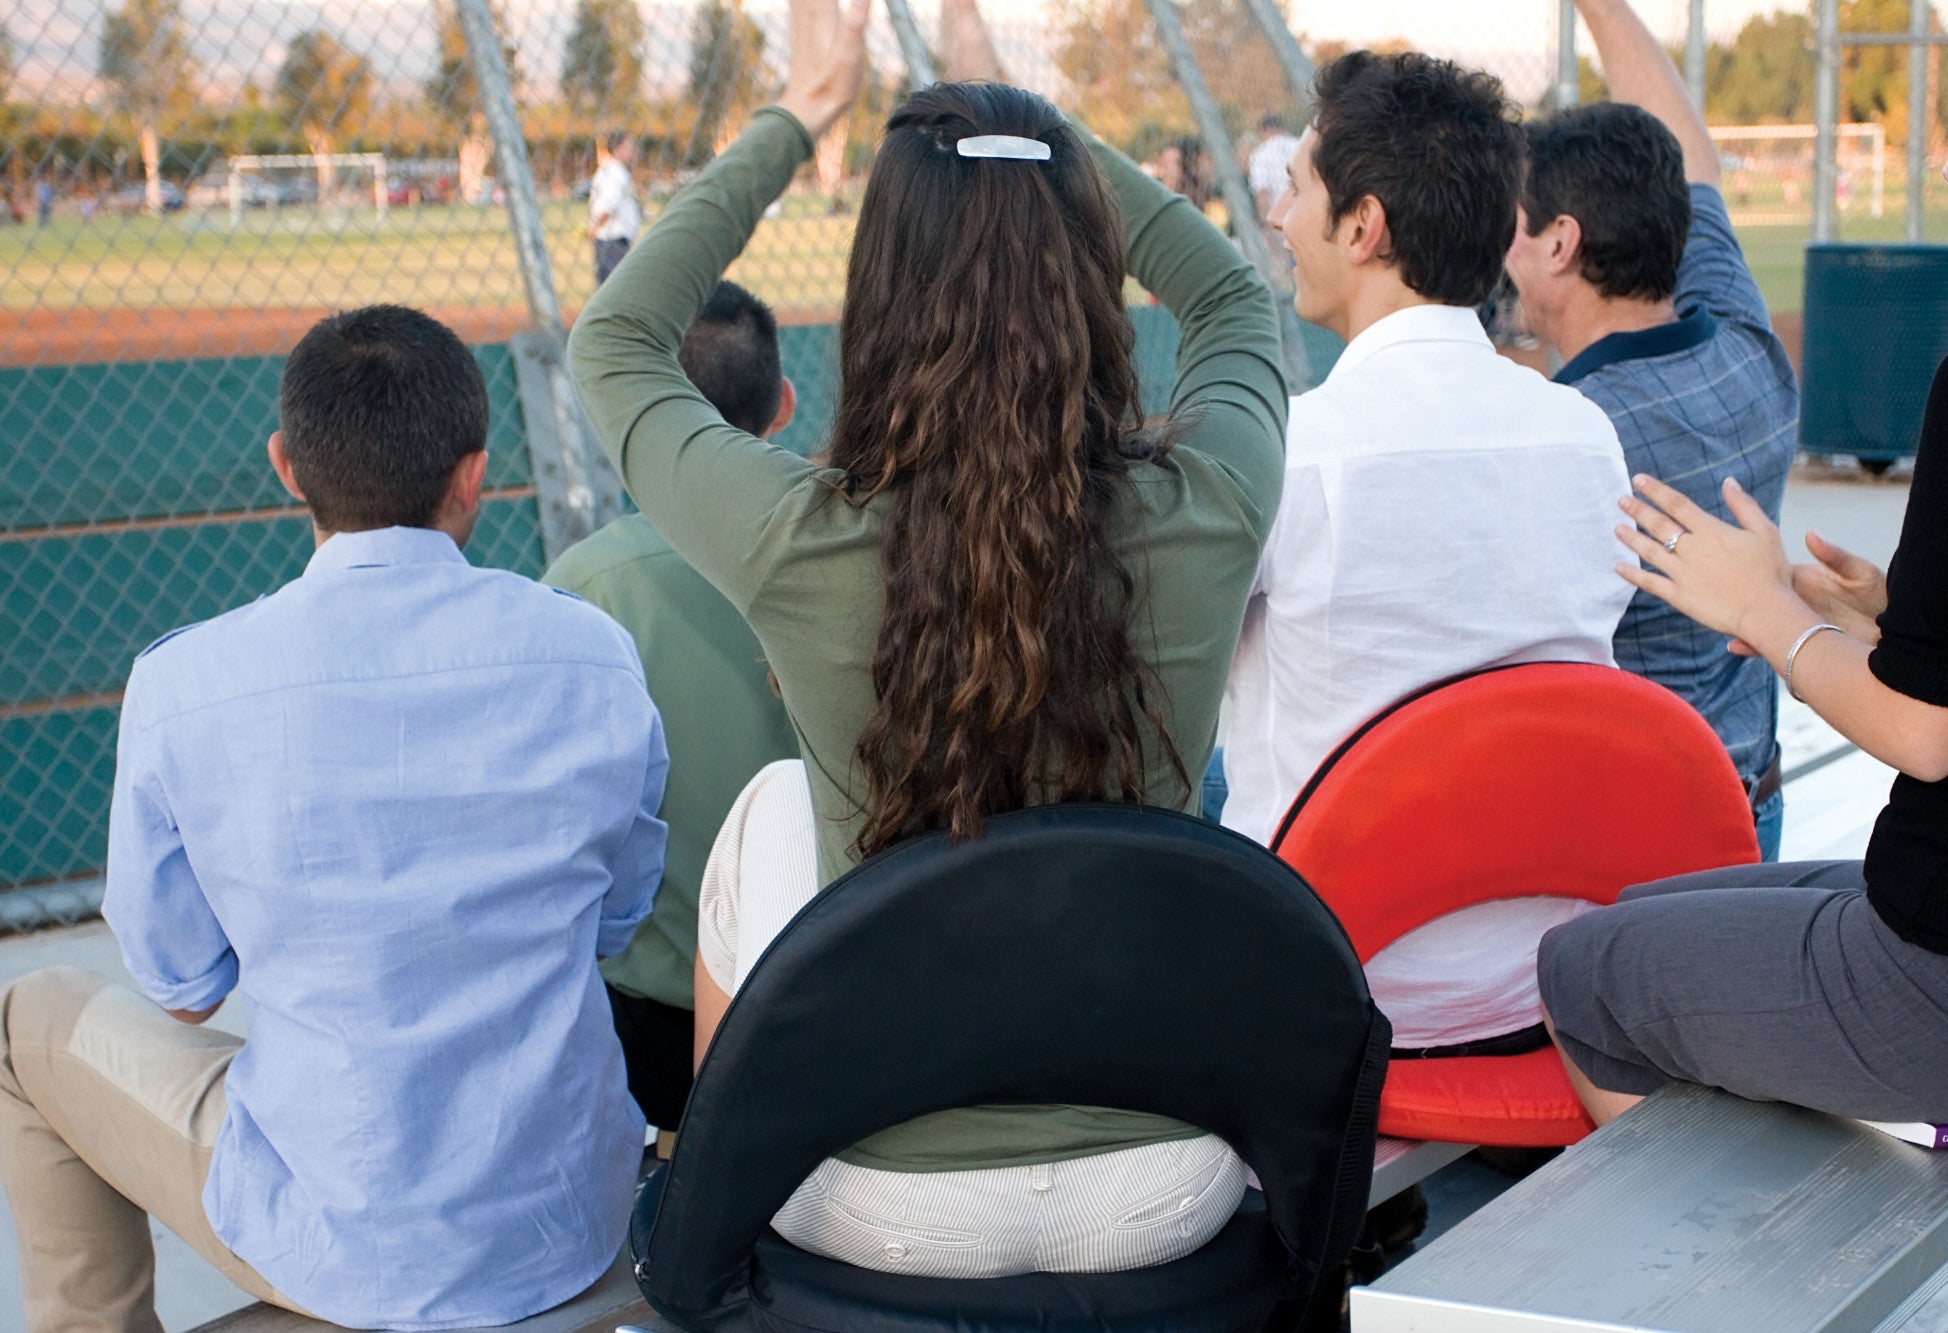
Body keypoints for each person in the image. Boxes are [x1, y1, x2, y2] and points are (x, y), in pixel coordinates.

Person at [569, 0, 1287, 1280]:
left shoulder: (802, 539)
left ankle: (702, 1169)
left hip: (876, 1193)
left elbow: (617, 340)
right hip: (1172, 1180)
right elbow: (1232, 295)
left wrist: (799, 120)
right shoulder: (1211, 501)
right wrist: (1038, 136)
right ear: (1088, 269)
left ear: (877, 290)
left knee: (779, 810)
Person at [0, 306, 666, 1331]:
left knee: (24, 1021)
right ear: (475, 473)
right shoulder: (593, 654)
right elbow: (615, 923)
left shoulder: (183, 683)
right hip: (563, 1218)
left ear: (284, 465)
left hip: (340, 1231)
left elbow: (181, 987)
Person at [1538, 1, 1948, 1129]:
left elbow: (1927, 734)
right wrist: (1901, 617)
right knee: (1655, 913)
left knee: (1578, 969)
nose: (1940, 160)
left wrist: (1769, 613)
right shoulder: (1744, 352)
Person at [1221, 50, 1634, 1056]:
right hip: (1541, 979)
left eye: (1300, 189)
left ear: (1361, 227)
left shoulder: (1290, 451)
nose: (1278, 217)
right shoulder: (1584, 435)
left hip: (1333, 985)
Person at [1506, 0, 1799, 860]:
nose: (1503, 249)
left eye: (1515, 228)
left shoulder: (1576, 437)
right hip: (1754, 801)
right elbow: (1693, 160)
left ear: (1561, 242)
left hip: (1647, 833)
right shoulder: (1747, 343)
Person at [544, 279, 801, 1138]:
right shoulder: (855, 544)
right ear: (785, 403)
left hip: (652, 1038)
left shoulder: (580, 591)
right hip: (841, 994)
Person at [589, 129, 641, 284]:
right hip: (612, 241)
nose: (633, 150)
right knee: (617, 288)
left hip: (611, 241)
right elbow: (607, 206)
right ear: (619, 147)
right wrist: (594, 228)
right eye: (629, 146)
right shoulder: (615, 172)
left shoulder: (611, 170)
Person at [1246, 113, 1298, 220]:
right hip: (1305, 210)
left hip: (1280, 215)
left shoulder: (1261, 154)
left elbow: (1262, 193)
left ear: (1265, 130)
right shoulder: (1299, 145)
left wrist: (1267, 223)